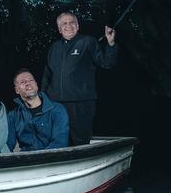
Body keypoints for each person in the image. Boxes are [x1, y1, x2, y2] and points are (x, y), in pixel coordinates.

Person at [42, 11, 117, 145]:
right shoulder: (54, 47)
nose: (68, 26)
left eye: (72, 22)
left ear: (77, 26)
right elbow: (47, 75)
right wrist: (43, 99)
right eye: (64, 23)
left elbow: (107, 63)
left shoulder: (88, 42)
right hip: (56, 104)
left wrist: (111, 44)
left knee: (80, 140)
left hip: (81, 103)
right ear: (59, 29)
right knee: (56, 139)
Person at [7, 69, 69, 151]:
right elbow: (7, 145)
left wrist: (42, 159)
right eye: (23, 82)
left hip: (53, 160)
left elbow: (60, 143)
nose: (28, 83)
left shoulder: (57, 110)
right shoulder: (13, 116)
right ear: (17, 90)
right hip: (27, 161)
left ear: (36, 85)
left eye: (31, 80)